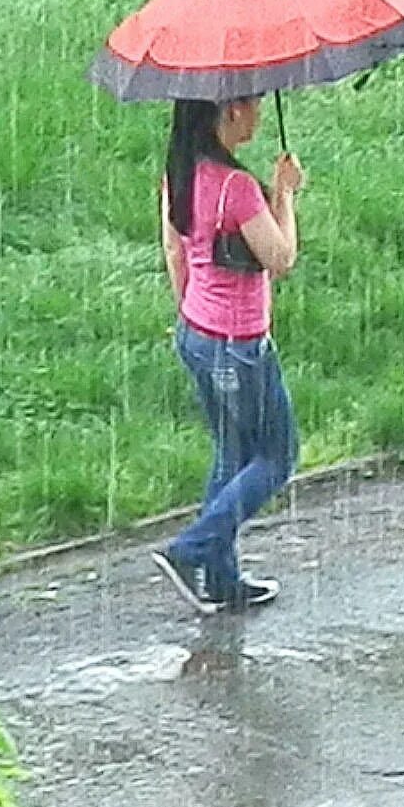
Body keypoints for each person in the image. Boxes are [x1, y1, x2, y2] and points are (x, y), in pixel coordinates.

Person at [152, 94, 304, 612]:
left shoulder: (180, 174)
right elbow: (281, 258)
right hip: (240, 346)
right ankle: (191, 549)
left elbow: (175, 252)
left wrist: (194, 315)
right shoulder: (237, 188)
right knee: (277, 457)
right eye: (254, 104)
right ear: (229, 111)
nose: (259, 114)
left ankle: (222, 581)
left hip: (196, 334)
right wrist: (284, 194)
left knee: (233, 454)